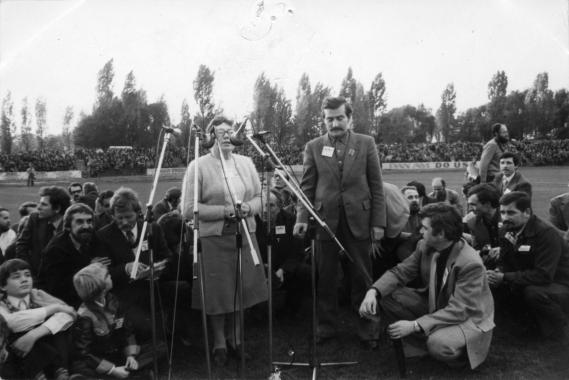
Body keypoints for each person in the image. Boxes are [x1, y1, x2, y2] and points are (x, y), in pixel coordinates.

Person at [293, 96, 386, 349]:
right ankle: (326, 329)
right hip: (325, 222)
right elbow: (307, 187)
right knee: (326, 280)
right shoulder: (313, 146)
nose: (334, 123)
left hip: (360, 221)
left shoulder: (366, 143)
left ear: (350, 118)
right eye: (329, 118)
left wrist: (378, 223)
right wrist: (302, 218)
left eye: (339, 118)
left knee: (363, 278)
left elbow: (377, 187)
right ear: (323, 120)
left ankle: (368, 330)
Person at [359, 203, 495, 369]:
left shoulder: (470, 263)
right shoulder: (424, 245)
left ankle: (460, 355)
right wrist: (373, 292)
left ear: (441, 234)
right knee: (385, 294)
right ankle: (424, 342)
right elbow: (400, 272)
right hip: (438, 304)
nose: (420, 232)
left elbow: (460, 310)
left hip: (468, 316)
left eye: (424, 228)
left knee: (438, 344)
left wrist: (415, 325)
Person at [182, 116, 268, 366]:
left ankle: (236, 339)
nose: (227, 136)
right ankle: (219, 342)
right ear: (210, 138)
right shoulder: (197, 166)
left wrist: (248, 209)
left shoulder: (247, 162)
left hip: (245, 235)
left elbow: (260, 197)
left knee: (243, 290)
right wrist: (225, 212)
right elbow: (188, 210)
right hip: (214, 238)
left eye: (230, 131)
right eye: (220, 132)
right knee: (219, 294)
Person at [97, 187, 192, 344]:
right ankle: (146, 340)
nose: (124, 222)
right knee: (144, 328)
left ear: (138, 213)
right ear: (112, 215)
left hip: (153, 283)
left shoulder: (151, 228)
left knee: (181, 289)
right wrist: (125, 268)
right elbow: (103, 272)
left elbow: (167, 257)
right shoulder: (103, 236)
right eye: (119, 218)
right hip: (125, 291)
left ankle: (177, 332)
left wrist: (158, 269)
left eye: (129, 217)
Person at [487, 192, 569, 342]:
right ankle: (514, 323)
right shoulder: (506, 229)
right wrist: (498, 271)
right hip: (531, 276)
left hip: (559, 283)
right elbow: (504, 260)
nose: (505, 217)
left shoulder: (546, 233)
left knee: (533, 292)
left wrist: (505, 277)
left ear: (527, 212)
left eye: (511, 212)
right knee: (491, 280)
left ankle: (558, 328)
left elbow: (544, 275)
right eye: (503, 212)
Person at [71, 263, 159, 379]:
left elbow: (127, 329)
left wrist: (131, 355)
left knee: (158, 347)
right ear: (99, 286)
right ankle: (131, 374)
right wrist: (112, 370)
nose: (111, 276)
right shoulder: (84, 316)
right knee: (81, 369)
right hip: (99, 359)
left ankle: (128, 372)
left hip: (117, 353)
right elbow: (84, 354)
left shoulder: (113, 300)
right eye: (107, 276)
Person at [0, 259, 76, 380]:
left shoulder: (38, 295)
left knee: (57, 329)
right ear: (3, 286)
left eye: (28, 275)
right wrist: (54, 308)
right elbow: (12, 322)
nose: (24, 279)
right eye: (16, 277)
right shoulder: (1, 304)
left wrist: (34, 335)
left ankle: (61, 371)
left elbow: (69, 314)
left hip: (48, 349)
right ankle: (40, 375)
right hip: (18, 356)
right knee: (19, 333)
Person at [40, 203, 110, 308]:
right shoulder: (55, 250)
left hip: (93, 299)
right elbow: (55, 288)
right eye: (79, 222)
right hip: (63, 305)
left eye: (89, 221)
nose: (86, 226)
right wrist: (89, 269)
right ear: (68, 226)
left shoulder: (92, 238)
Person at [255, 190, 309, 317]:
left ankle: (291, 309)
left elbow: (297, 252)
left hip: (284, 267)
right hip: (260, 267)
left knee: (304, 271)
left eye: (271, 205)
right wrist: (263, 266)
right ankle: (255, 309)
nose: (265, 210)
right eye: (262, 205)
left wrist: (283, 270)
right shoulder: (253, 223)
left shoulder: (290, 220)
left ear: (280, 207)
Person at [16, 186, 71, 276]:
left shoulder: (71, 224)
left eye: (44, 204)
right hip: (37, 277)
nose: (38, 208)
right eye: (39, 203)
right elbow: (21, 246)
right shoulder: (34, 219)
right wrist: (29, 272)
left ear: (57, 209)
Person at [464, 184, 501, 253]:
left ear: (487, 204)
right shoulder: (472, 221)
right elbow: (476, 246)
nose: (470, 209)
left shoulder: (508, 218)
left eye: (473, 205)